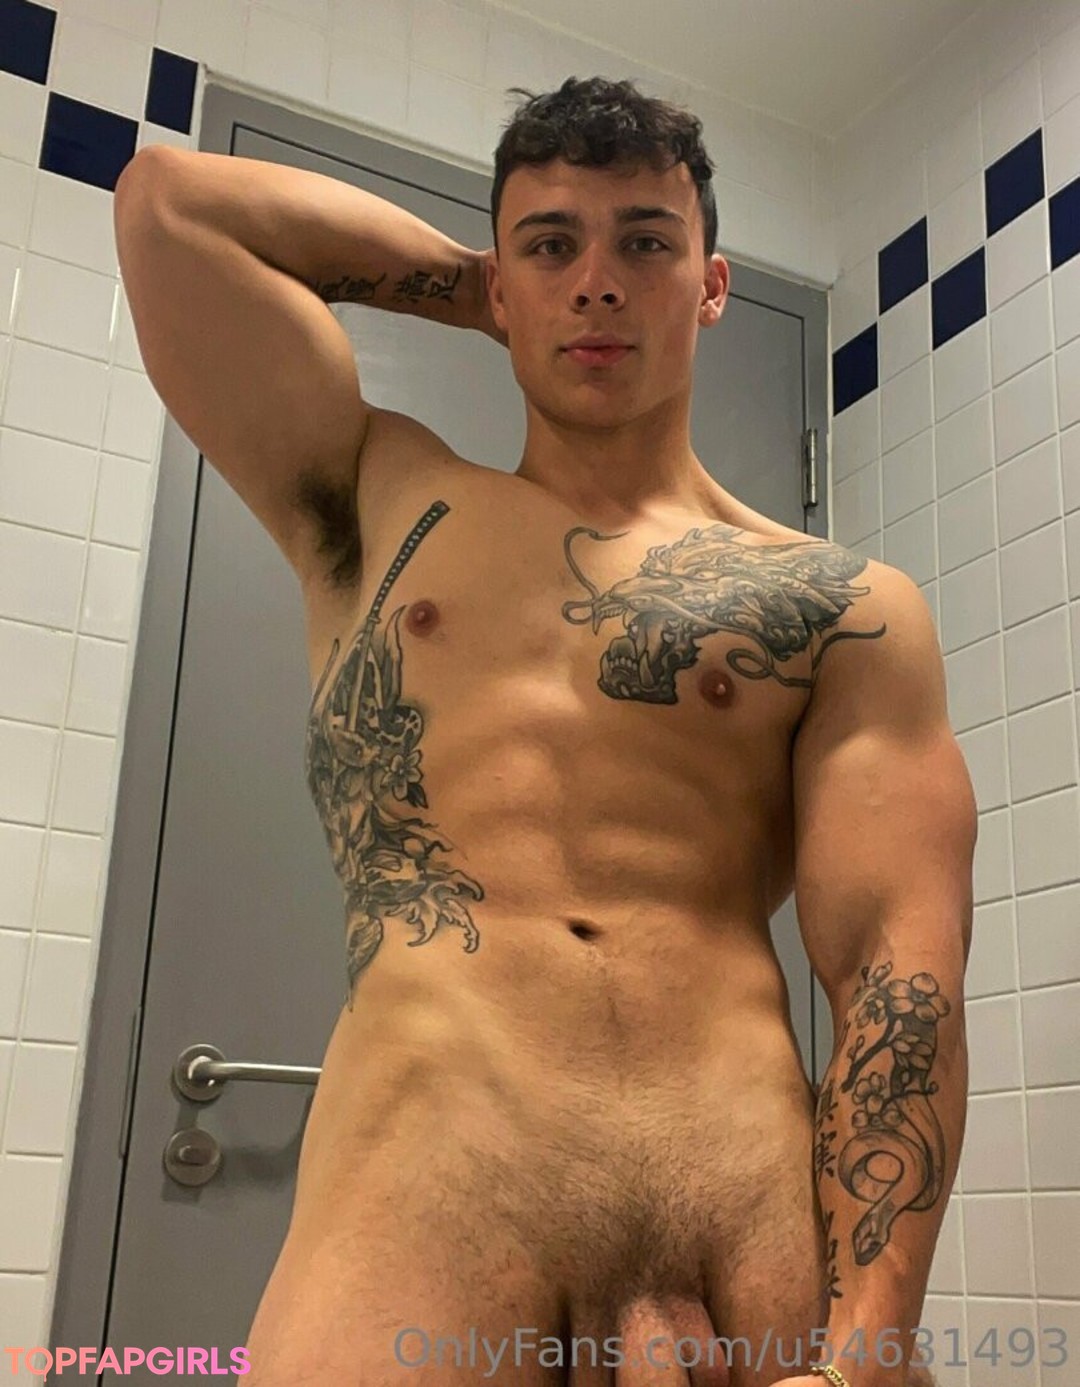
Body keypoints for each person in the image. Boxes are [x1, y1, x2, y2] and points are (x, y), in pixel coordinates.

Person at [114, 76, 975, 1387]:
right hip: (430, 1213)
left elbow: (897, 978)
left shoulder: (842, 608)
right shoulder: (380, 499)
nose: (599, 283)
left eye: (646, 244)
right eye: (553, 245)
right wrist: (484, 292)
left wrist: (868, 1354)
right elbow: (172, 209)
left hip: (747, 1229)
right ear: (500, 283)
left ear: (713, 287)